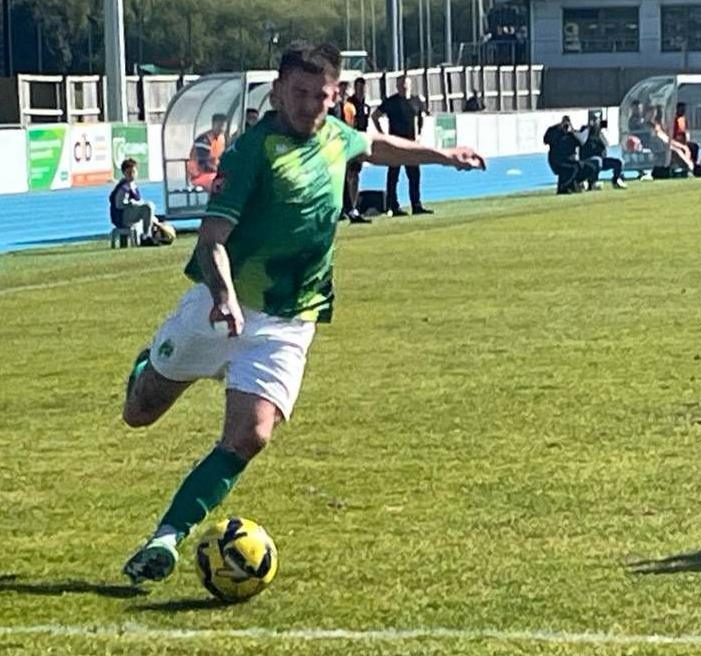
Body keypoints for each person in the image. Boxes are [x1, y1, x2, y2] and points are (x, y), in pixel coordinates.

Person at [119, 41, 485, 585]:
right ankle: (149, 365)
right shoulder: (251, 153)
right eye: (299, 93)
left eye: (321, 95)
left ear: (335, 95)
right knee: (140, 412)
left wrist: (441, 156)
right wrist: (221, 296)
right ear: (278, 92)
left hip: (291, 318)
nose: (310, 104)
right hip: (224, 305)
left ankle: (167, 537)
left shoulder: (338, 136)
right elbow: (212, 240)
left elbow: (377, 146)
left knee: (251, 436)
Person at [371, 75, 433, 216]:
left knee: (414, 175)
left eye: (405, 84)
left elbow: (422, 117)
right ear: (397, 86)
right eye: (401, 85)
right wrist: (383, 136)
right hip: (395, 145)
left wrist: (419, 134)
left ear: (409, 85)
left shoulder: (416, 101)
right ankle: (394, 206)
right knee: (393, 176)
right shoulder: (391, 102)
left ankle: (416, 205)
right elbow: (375, 116)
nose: (403, 87)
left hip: (411, 145)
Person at [109, 158, 161, 245]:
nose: (131, 174)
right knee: (147, 207)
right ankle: (146, 237)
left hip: (126, 214)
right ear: (124, 173)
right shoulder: (124, 187)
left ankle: (152, 235)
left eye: (133, 172)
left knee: (150, 212)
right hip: (121, 216)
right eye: (128, 172)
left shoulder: (132, 185)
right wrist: (132, 203)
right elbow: (119, 204)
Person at [543, 115, 597, 194]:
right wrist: (557, 128)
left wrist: (572, 131)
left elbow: (581, 142)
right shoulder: (554, 132)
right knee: (573, 169)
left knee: (590, 168)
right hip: (557, 161)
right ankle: (563, 187)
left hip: (570, 161)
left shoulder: (571, 135)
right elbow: (545, 140)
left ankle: (572, 184)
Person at [344, 77, 371, 224]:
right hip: (351, 142)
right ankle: (348, 206)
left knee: (355, 174)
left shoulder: (366, 105)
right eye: (359, 88)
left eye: (363, 88)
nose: (361, 90)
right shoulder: (350, 104)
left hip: (361, 142)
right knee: (349, 174)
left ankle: (353, 205)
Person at [579, 115, 627, 190]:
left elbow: (607, 144)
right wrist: (589, 129)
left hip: (600, 161)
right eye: (596, 122)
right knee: (596, 162)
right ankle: (591, 183)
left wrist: (601, 132)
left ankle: (616, 181)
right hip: (588, 161)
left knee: (618, 162)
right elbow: (581, 140)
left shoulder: (599, 134)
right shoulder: (586, 132)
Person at [187, 113, 227, 188]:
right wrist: (221, 171)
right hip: (198, 174)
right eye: (219, 125)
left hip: (214, 173)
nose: (222, 129)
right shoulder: (204, 140)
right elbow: (203, 164)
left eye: (223, 126)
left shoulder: (222, 138)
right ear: (213, 124)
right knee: (221, 184)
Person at [649, 107, 695, 172]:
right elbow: (659, 140)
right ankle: (689, 167)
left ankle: (690, 165)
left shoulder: (659, 126)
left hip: (666, 144)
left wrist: (681, 146)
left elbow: (667, 139)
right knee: (677, 151)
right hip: (658, 146)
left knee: (685, 148)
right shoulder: (650, 127)